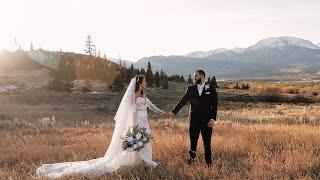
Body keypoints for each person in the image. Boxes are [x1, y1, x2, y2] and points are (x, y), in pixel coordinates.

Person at [35, 75, 171, 178]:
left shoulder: (144, 95)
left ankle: (144, 161)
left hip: (145, 123)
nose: (146, 83)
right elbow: (133, 113)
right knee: (139, 143)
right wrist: (134, 128)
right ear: (140, 84)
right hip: (138, 124)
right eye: (145, 81)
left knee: (145, 143)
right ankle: (144, 162)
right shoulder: (134, 97)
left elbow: (152, 106)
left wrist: (164, 113)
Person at [170, 69, 218, 167]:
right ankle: (192, 161)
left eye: (196, 76)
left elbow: (215, 105)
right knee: (193, 141)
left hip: (207, 120)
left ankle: (208, 163)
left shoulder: (211, 88)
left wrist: (212, 119)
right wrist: (173, 112)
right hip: (194, 120)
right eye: (194, 76)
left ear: (202, 76)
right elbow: (182, 101)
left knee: (207, 143)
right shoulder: (190, 89)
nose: (194, 77)